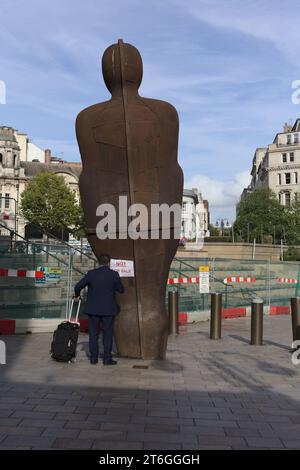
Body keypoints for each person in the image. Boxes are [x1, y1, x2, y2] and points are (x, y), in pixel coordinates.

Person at [74, 254, 125, 365]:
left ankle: (93, 358)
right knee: (108, 333)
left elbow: (78, 286)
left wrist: (77, 295)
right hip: (108, 309)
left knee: (93, 334)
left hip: (93, 309)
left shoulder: (91, 274)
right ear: (109, 262)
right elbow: (121, 290)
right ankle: (107, 359)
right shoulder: (114, 274)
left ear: (98, 262)